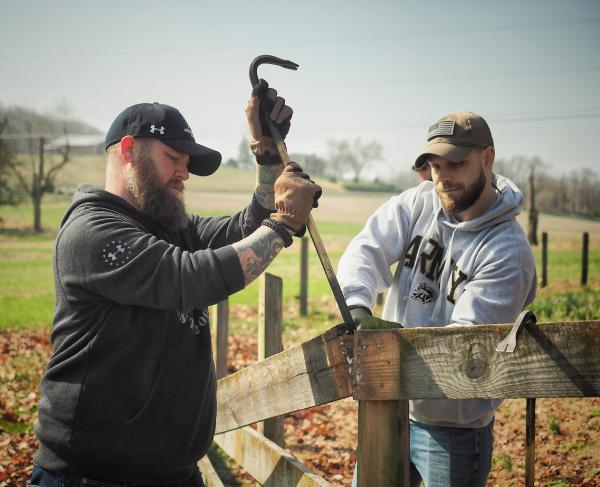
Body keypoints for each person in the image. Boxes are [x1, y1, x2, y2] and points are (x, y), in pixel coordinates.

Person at [30, 84, 321, 487]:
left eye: (186, 162)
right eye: (173, 158)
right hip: (93, 477)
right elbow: (191, 277)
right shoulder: (92, 232)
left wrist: (268, 154)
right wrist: (285, 222)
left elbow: (243, 229)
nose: (184, 172)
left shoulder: (171, 227)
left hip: (176, 474)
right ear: (129, 150)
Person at [339, 112, 537, 487]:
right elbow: (366, 249)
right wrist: (357, 307)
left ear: (487, 158)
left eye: (456, 164)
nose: (442, 177)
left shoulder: (507, 251)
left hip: (452, 429)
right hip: (390, 408)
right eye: (434, 165)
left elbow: (464, 349)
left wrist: (386, 360)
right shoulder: (419, 203)